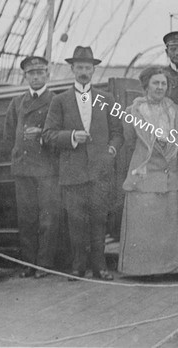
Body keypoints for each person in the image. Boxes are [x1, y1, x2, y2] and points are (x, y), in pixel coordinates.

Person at [43, 46, 124, 281]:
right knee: (76, 222)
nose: (84, 72)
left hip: (100, 172)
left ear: (93, 70)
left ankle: (100, 267)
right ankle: (78, 268)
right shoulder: (60, 101)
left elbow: (118, 133)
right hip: (73, 172)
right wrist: (70, 137)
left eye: (88, 68)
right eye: (79, 67)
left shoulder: (106, 99)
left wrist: (110, 150)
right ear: (72, 69)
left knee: (99, 220)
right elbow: (48, 134)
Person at [117, 66, 178, 276]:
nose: (160, 87)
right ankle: (141, 270)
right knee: (144, 225)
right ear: (146, 86)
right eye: (156, 83)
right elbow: (129, 141)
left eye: (163, 83)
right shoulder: (133, 111)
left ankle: (169, 269)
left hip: (170, 175)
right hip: (144, 174)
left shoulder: (174, 110)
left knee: (168, 225)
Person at [3, 56, 60, 279]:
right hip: (23, 168)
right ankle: (28, 263)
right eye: (31, 73)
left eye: (40, 73)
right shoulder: (17, 102)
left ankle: (44, 264)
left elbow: (60, 135)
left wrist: (43, 137)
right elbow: (9, 135)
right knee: (26, 218)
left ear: (48, 75)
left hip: (47, 169)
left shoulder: (56, 101)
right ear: (25, 76)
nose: (36, 77)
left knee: (48, 217)